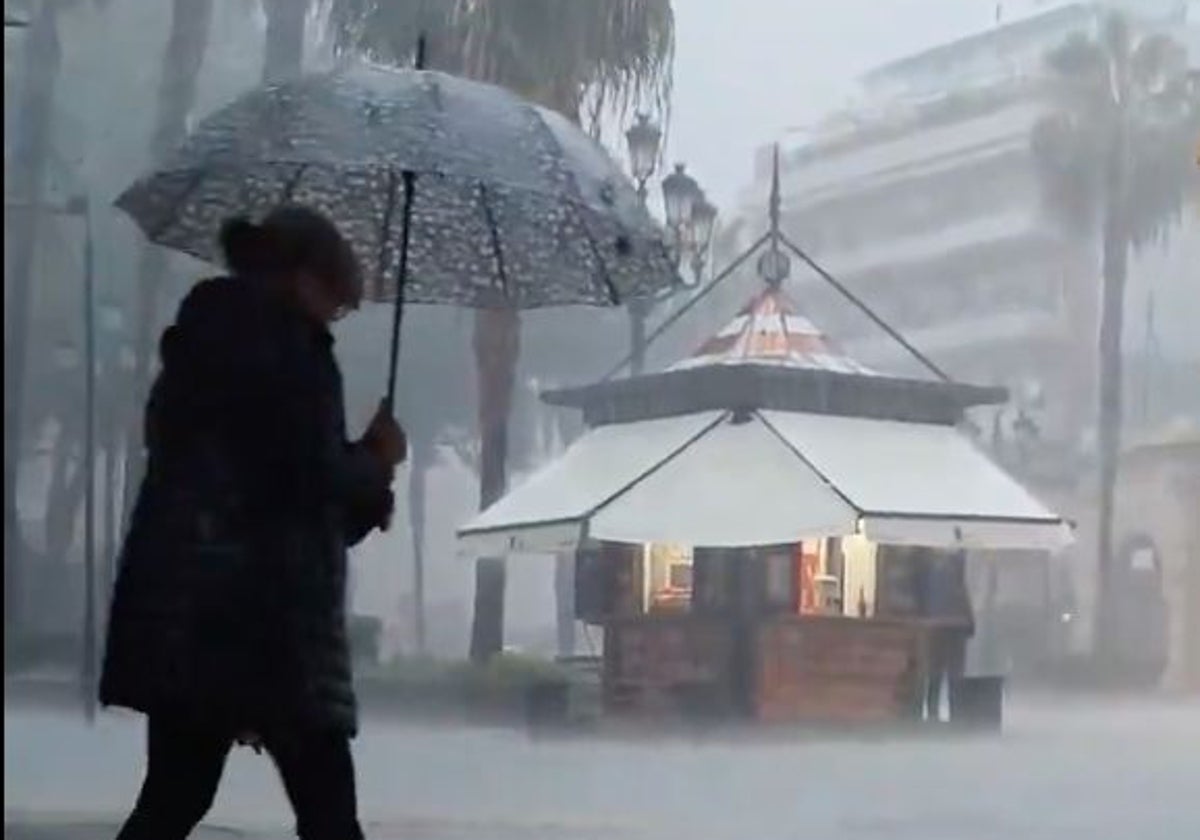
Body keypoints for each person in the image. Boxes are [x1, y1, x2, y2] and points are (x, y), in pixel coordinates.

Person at [101, 206, 406, 840]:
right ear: (303, 277)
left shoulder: (204, 345)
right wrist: (374, 462)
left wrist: (363, 487)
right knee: (328, 810)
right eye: (336, 301)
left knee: (175, 795)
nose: (335, 316)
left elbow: (271, 488)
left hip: (192, 613)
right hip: (271, 624)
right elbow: (306, 479)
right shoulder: (289, 351)